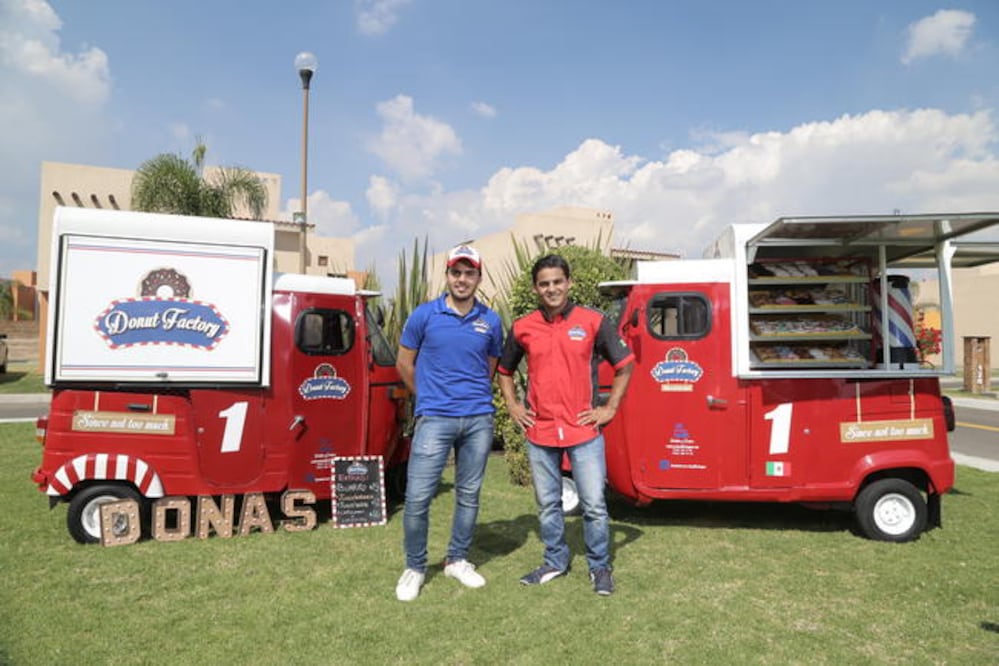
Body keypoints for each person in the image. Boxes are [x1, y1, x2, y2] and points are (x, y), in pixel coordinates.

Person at [497, 254, 634, 596]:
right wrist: (513, 405)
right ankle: (555, 561)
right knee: (547, 504)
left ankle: (599, 567)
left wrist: (609, 408)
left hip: (583, 430)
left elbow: (626, 365)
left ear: (568, 283)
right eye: (544, 283)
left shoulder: (593, 321)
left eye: (558, 281)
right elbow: (504, 371)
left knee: (593, 505)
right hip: (540, 431)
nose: (552, 288)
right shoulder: (522, 327)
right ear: (535, 288)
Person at [394, 244, 504, 602]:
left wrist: (469, 400)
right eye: (456, 272)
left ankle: (457, 559)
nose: (462, 279)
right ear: (447, 276)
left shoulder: (492, 320)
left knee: (469, 495)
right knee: (418, 497)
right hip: (434, 419)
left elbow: (487, 369)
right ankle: (414, 566)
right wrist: (426, 397)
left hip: (477, 420)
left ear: (478, 277)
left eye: (468, 273)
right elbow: (403, 364)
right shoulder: (424, 315)